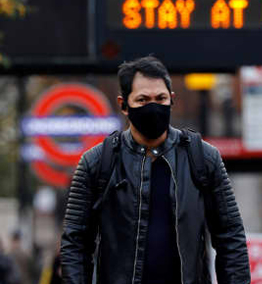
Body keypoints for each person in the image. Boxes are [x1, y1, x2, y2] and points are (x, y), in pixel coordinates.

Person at [60, 56, 250, 284]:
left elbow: (231, 237)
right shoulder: (97, 162)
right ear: (123, 105)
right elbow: (75, 243)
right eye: (142, 100)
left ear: (172, 99)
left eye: (160, 98)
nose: (153, 106)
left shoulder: (203, 158)